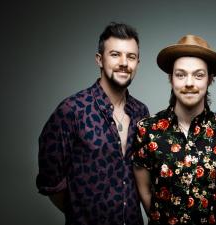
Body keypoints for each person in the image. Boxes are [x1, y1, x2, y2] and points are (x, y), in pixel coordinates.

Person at [36, 22, 148, 225]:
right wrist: (81, 213)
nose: (124, 62)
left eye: (131, 57)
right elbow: (50, 180)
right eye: (115, 54)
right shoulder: (72, 111)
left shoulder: (141, 112)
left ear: (137, 63)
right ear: (99, 60)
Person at [133, 34, 216, 225]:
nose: (189, 83)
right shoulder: (147, 129)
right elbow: (145, 194)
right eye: (180, 74)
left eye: (198, 75)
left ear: (210, 79)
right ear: (171, 78)